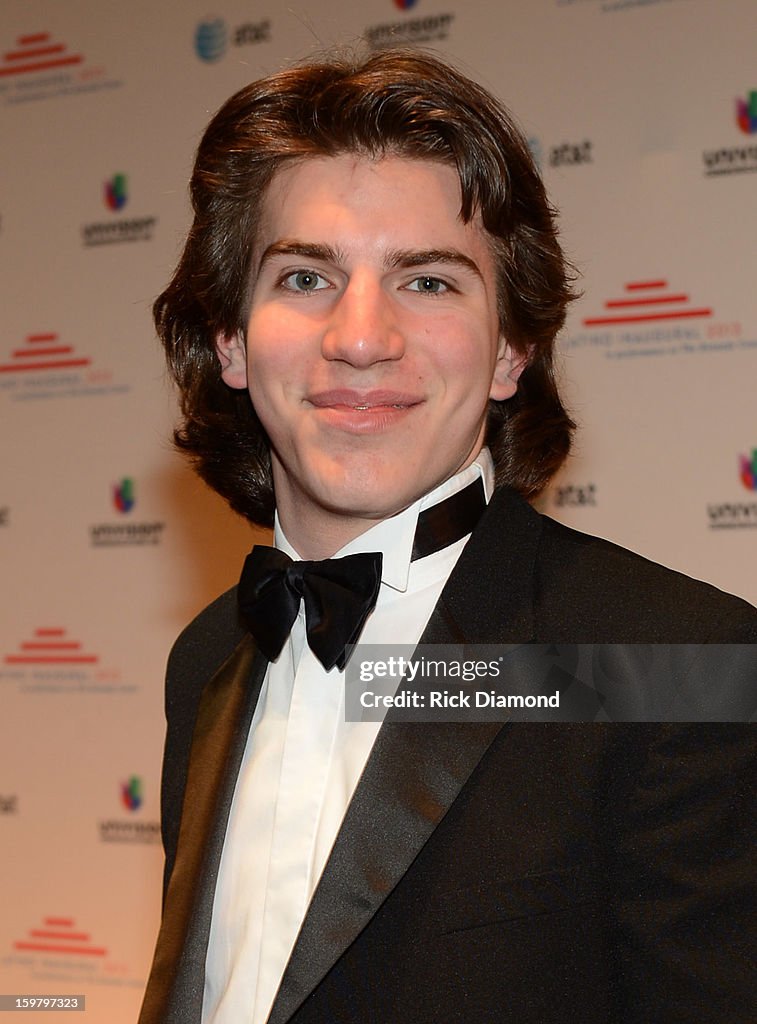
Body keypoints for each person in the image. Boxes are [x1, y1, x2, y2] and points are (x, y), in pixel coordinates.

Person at [139, 49, 757, 1024]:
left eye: (427, 282)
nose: (360, 336)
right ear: (228, 340)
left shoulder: (676, 662)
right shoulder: (205, 658)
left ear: (512, 348)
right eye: (305, 276)